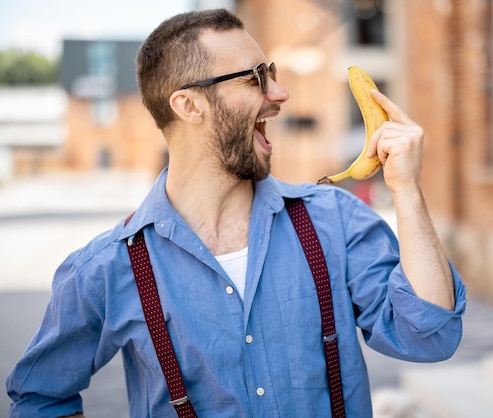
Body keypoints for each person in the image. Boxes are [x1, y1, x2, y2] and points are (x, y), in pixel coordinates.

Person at [6, 8, 466, 418]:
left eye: (273, 73)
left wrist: (406, 189)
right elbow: (42, 397)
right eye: (255, 78)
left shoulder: (333, 222)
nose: (280, 93)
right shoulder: (105, 269)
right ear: (189, 105)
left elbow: (429, 336)